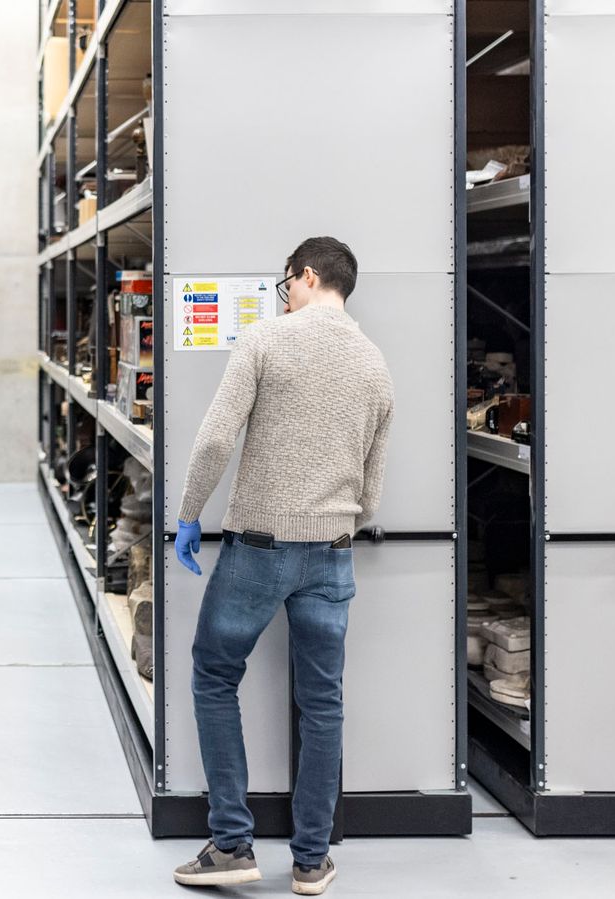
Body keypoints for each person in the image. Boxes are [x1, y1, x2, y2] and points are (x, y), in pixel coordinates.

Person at [169, 237, 393, 896]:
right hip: (333, 554)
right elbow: (373, 488)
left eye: (286, 283)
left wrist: (188, 514)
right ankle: (310, 860)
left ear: (307, 274)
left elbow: (215, 438)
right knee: (322, 702)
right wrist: (336, 518)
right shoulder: (375, 364)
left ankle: (233, 843)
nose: (284, 295)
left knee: (214, 673)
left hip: (258, 548)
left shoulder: (266, 340)